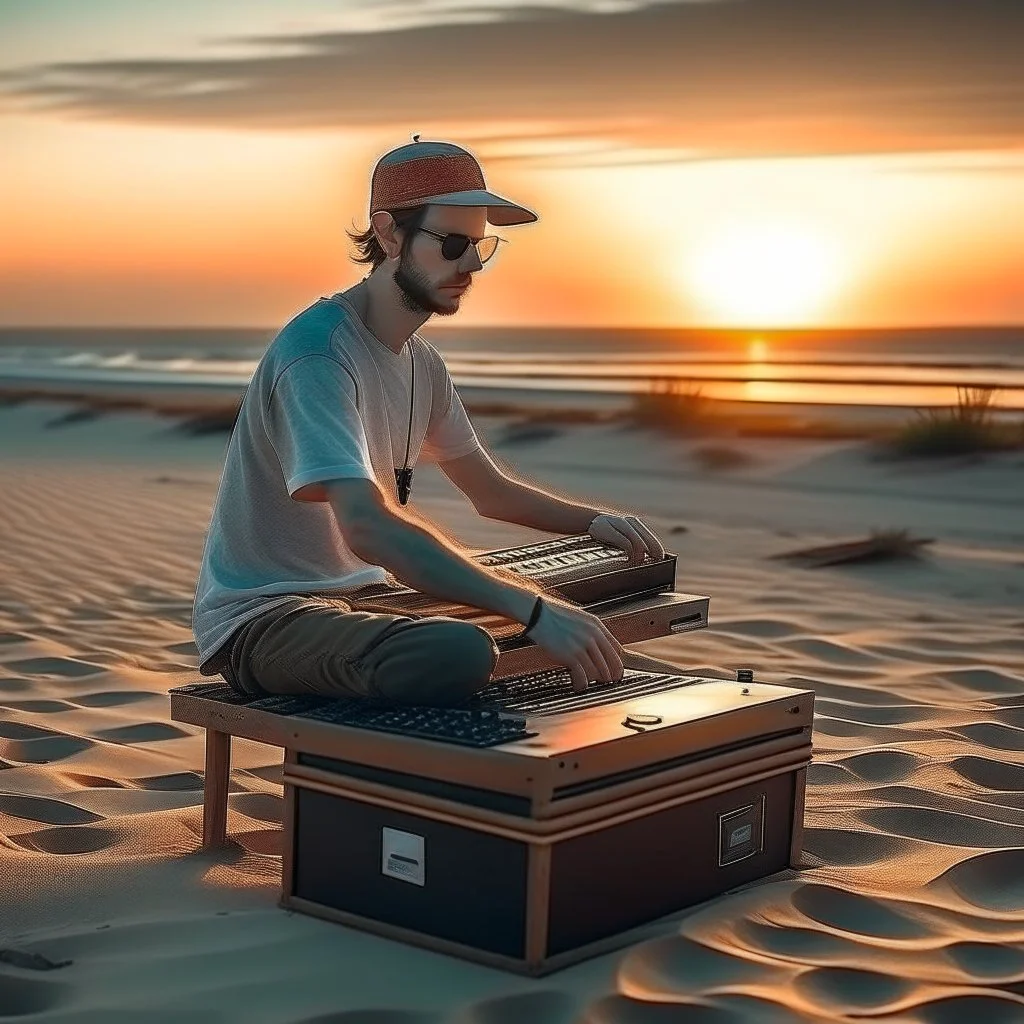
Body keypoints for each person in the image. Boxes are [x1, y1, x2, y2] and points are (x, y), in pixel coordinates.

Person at [191, 136, 668, 707]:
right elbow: (366, 528)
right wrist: (532, 610)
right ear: (390, 233)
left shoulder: (422, 363)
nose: (471, 265)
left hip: (373, 598)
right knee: (459, 651)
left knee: (606, 593)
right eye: (452, 244)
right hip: (271, 617)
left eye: (481, 246)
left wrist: (595, 523)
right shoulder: (318, 355)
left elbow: (489, 492)